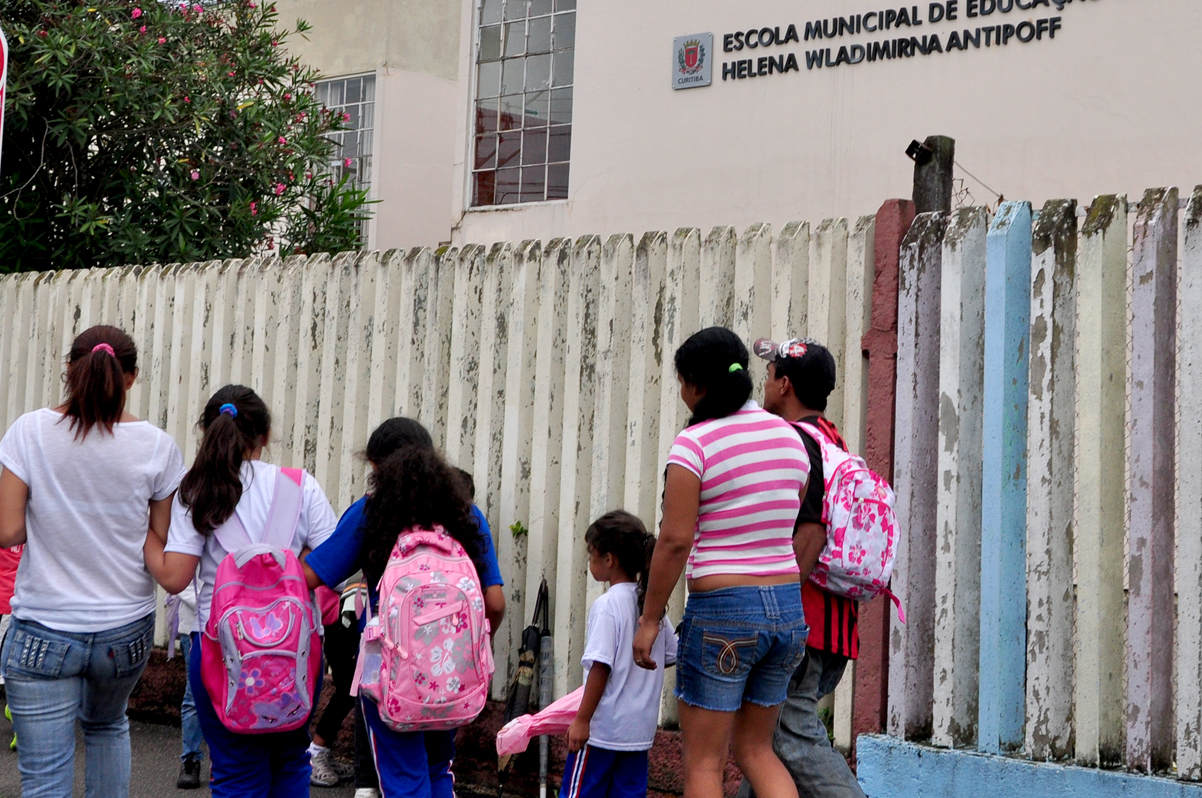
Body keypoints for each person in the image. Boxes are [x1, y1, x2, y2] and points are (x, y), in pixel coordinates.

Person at [0, 325, 185, 798]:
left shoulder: (29, 432)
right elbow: (159, 537)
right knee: (107, 727)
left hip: (44, 626)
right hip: (124, 629)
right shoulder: (159, 446)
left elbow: (9, 531)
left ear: (68, 369)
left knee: (45, 779)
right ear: (132, 378)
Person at [633, 326, 811, 798]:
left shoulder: (694, 444)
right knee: (757, 751)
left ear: (695, 384)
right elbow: (790, 515)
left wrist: (650, 619)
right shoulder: (792, 439)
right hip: (787, 611)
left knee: (704, 766)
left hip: (724, 613)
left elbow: (674, 541)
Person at [143, 385, 339, 798]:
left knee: (235, 772)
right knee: (290, 764)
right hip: (297, 654)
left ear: (206, 431)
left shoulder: (195, 491)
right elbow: (333, 568)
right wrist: (291, 560)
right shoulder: (301, 486)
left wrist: (146, 533)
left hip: (219, 651)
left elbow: (176, 577)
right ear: (265, 435)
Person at [303, 417, 505, 798]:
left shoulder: (370, 513)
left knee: (401, 779)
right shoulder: (467, 516)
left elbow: (311, 576)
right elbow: (494, 603)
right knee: (437, 770)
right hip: (450, 672)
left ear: (380, 468)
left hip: (390, 677)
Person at [738, 337, 865, 798]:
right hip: (835, 626)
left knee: (786, 738)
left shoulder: (795, 442)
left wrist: (778, 617)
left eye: (770, 373)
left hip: (801, 626)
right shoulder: (834, 440)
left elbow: (810, 534)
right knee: (763, 746)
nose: (765, 382)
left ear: (785, 384)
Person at [560, 511, 677, 798]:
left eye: (591, 554)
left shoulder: (607, 605)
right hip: (638, 734)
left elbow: (600, 666)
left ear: (609, 559)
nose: (589, 561)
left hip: (602, 731)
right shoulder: (652, 605)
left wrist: (582, 720)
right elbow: (672, 653)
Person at [307, 582, 358, 787]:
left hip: (361, 613)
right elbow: (327, 573)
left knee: (355, 689)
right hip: (341, 617)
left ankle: (322, 751)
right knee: (348, 687)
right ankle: (316, 751)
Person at [175, 588, 206, 789]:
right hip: (196, 625)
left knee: (236, 695)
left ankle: (227, 760)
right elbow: (180, 581)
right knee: (194, 695)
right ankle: (190, 760)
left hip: (239, 621)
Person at [0, 543, 23, 752]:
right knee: (11, 666)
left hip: (13, 603)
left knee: (10, 667)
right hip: (15, 602)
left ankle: (20, 726)